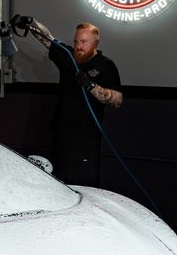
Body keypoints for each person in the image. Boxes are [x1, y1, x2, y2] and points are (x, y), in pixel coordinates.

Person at [26, 18, 123, 186]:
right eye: (76, 41)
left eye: (84, 42)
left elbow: (117, 100)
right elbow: (47, 39)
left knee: (82, 184)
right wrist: (30, 22)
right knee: (59, 181)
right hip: (61, 133)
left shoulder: (105, 65)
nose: (79, 46)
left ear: (96, 43)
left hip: (85, 137)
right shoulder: (69, 57)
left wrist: (91, 86)